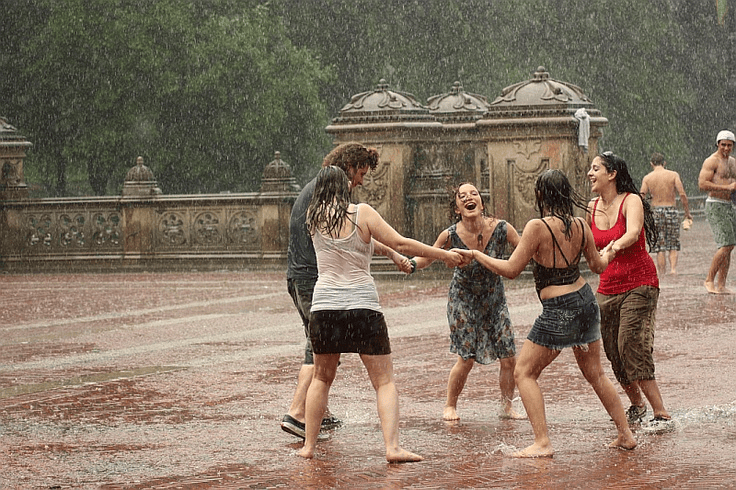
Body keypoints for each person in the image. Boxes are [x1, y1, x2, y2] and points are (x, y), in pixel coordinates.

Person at [453, 169, 635, 458]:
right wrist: (611, 251)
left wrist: (478, 255)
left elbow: (512, 270)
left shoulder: (538, 227)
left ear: (541, 195)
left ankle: (542, 442)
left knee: (524, 372)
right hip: (585, 301)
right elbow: (599, 266)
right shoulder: (580, 224)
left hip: (559, 310)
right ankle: (626, 434)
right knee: (596, 373)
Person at [296, 165, 464, 462]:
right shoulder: (362, 212)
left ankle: (309, 447)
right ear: (344, 185)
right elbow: (399, 240)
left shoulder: (312, 218)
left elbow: (361, 244)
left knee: (321, 378)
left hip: (325, 307)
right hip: (362, 306)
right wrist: (443, 255)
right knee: (384, 381)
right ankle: (392, 448)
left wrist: (392, 255)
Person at [282, 143, 412, 439]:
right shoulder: (329, 197)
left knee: (323, 356)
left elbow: (352, 239)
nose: (361, 181)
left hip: (303, 277)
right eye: (361, 173)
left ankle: (317, 414)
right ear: (348, 167)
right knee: (316, 355)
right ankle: (298, 413)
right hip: (315, 280)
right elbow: (348, 241)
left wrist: (391, 254)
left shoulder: (319, 192)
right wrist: (434, 254)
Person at [412, 182, 524, 421]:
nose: (468, 198)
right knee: (466, 357)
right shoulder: (450, 235)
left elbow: (526, 249)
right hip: (463, 299)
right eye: (462, 196)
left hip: (494, 298)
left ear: (482, 203)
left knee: (508, 356)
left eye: (474, 194)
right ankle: (450, 405)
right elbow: (429, 257)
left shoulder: (502, 229)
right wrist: (409, 264)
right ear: (456, 208)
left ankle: (506, 407)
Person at [587, 151, 672, 428]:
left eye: (596, 168)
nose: (590, 173)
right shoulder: (591, 207)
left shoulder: (631, 200)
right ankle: (637, 404)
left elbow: (633, 233)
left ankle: (661, 413)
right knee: (612, 349)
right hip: (607, 287)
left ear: (612, 174)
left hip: (640, 282)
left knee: (630, 344)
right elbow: (587, 246)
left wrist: (610, 250)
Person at [640, 152, 693, 275]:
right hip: (671, 210)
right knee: (673, 242)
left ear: (651, 164)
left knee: (660, 245)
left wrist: (644, 214)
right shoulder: (673, 175)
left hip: (656, 211)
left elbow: (641, 196)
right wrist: (687, 212)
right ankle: (673, 270)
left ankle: (662, 273)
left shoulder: (648, 178)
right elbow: (682, 194)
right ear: (664, 163)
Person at [698, 130, 736, 294]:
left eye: (729, 145)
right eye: (723, 145)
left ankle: (721, 284)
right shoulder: (711, 161)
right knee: (726, 244)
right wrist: (726, 187)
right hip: (715, 204)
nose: (726, 148)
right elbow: (702, 184)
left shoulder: (733, 162)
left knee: (729, 245)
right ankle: (708, 280)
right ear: (717, 144)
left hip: (729, 205)